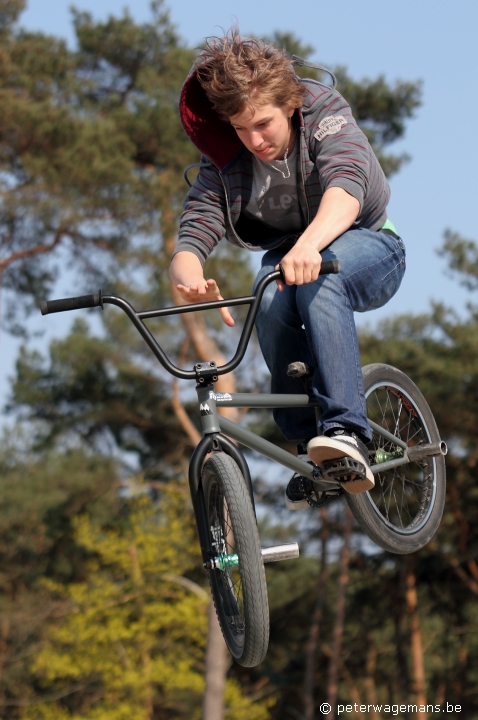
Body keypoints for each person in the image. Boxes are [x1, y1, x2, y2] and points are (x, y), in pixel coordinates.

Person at [169, 30, 406, 509]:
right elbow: (196, 225)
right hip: (295, 253)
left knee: (315, 279)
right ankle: (309, 447)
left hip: (370, 242)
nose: (253, 140)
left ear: (290, 105)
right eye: (240, 128)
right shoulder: (229, 159)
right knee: (271, 296)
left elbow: (346, 186)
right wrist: (188, 273)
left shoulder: (324, 114)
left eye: (263, 124)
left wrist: (311, 246)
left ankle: (346, 430)